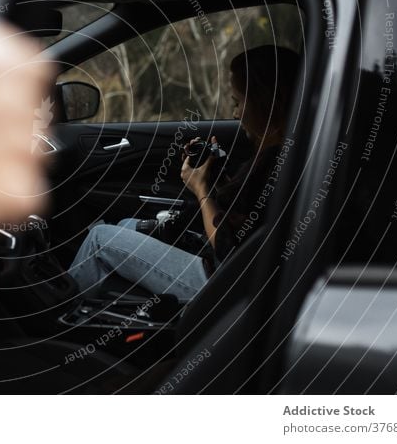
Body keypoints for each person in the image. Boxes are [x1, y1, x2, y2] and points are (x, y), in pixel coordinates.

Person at [68, 44, 300, 300]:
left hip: (224, 281)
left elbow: (229, 247)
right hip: (220, 264)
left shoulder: (278, 160)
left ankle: (57, 326)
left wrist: (200, 189)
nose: (234, 113)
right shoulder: (282, 150)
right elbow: (243, 208)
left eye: (238, 102)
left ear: (266, 103)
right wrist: (213, 171)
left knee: (100, 239)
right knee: (125, 225)